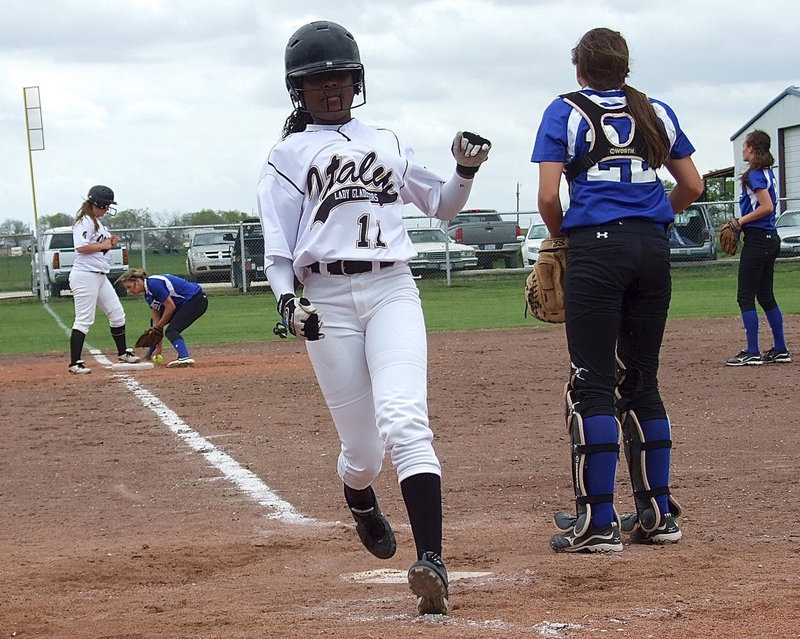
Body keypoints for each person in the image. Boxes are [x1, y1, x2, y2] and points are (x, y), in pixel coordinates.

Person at [257, 20, 490, 615]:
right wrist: (289, 302)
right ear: (298, 93)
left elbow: (440, 205)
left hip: (391, 288)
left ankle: (432, 562)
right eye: (317, 83)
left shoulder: (385, 139)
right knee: (363, 452)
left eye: (339, 79)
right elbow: (279, 253)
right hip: (326, 301)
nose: (330, 90)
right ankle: (359, 495)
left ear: (356, 82)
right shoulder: (286, 156)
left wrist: (464, 170)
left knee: (405, 419)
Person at [532, 28, 704, 553]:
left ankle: (598, 522)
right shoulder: (656, 111)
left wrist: (565, 237)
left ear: (579, 69)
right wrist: (650, 220)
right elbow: (692, 187)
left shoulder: (564, 111)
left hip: (598, 252)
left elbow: (546, 197)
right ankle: (657, 513)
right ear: (624, 67)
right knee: (643, 381)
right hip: (652, 250)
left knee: (592, 384)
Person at [725, 130, 791, 366]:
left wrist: (740, 222)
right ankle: (781, 349)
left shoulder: (754, 175)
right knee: (765, 295)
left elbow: (767, 206)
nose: (743, 149)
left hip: (759, 239)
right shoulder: (766, 172)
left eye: (745, 145)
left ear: (752, 148)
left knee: (745, 296)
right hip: (769, 238)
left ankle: (752, 351)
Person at [67, 185, 140, 374]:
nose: (107, 209)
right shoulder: (85, 222)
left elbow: (100, 246)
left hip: (99, 275)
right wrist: (104, 244)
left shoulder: (98, 223)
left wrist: (109, 243)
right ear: (96, 204)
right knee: (84, 319)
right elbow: (81, 247)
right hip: (85, 275)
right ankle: (75, 363)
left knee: (117, 313)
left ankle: (123, 352)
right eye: (105, 206)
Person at [116, 269, 208, 368]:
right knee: (155, 325)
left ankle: (185, 357)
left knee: (172, 330)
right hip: (185, 304)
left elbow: (170, 307)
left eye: (129, 287)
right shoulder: (148, 295)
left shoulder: (154, 284)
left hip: (196, 300)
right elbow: (156, 320)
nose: (129, 291)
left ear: (138, 281)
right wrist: (158, 347)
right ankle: (150, 354)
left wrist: (158, 327)